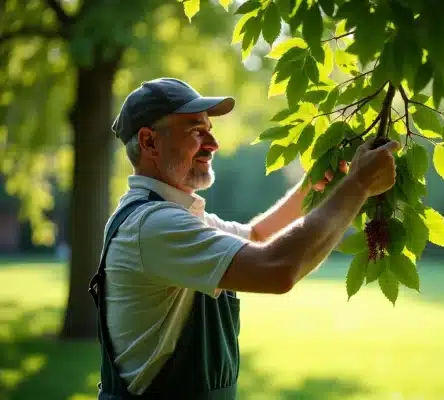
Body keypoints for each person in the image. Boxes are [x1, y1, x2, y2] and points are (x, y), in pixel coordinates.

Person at [88, 77, 399, 399]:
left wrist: (312, 187)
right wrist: (359, 185)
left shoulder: (174, 217)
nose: (213, 143)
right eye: (196, 131)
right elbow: (276, 267)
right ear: (149, 142)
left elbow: (257, 236)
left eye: (210, 129)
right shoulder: (154, 225)